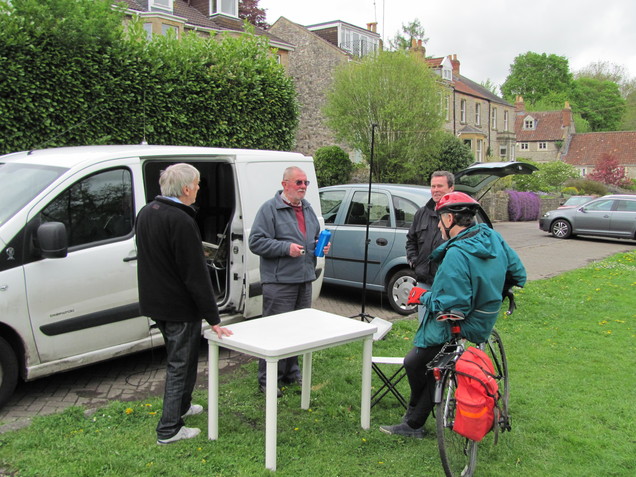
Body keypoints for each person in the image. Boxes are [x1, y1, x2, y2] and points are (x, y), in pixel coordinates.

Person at [380, 192, 526, 438]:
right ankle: (415, 414)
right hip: (484, 318)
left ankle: (414, 420)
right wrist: (493, 291)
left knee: (415, 363)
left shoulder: (457, 254)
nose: (437, 225)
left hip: (461, 323)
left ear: (449, 219)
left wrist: (420, 296)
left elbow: (451, 303)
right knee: (427, 362)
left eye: (440, 220)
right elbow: (518, 274)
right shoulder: (492, 237)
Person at [136, 163, 233, 445]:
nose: (199, 189)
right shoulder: (181, 220)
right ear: (187, 188)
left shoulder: (147, 212)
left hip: (157, 303)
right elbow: (195, 274)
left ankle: (182, 406)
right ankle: (169, 429)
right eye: (198, 184)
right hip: (178, 307)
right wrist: (213, 317)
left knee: (187, 359)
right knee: (180, 364)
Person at [249, 166, 329, 397]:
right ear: (285, 184)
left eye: (306, 183)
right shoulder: (269, 209)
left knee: (298, 330)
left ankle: (290, 372)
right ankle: (268, 380)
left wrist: (320, 246)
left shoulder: (307, 209)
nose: (303, 187)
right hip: (279, 282)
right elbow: (256, 242)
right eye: (298, 183)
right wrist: (285, 248)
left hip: (304, 279)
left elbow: (312, 238)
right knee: (274, 331)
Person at [405, 171, 454, 318]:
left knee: (445, 327)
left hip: (447, 285)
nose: (436, 190)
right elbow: (411, 240)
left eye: (440, 186)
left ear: (451, 188)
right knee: (424, 323)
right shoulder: (421, 213)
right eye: (433, 186)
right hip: (424, 282)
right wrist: (414, 262)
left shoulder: (458, 214)